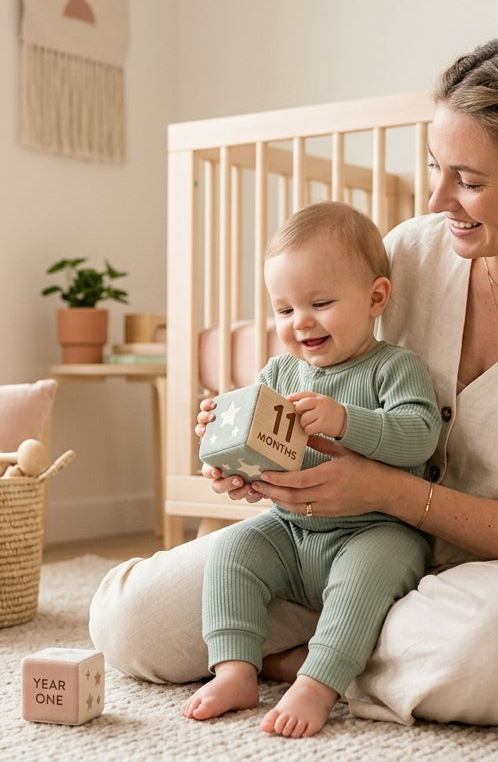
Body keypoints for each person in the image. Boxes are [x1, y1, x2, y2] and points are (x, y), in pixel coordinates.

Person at [89, 29, 498, 726]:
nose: (436, 198)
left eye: (468, 180)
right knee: (130, 621)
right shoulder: (410, 254)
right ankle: (336, 653)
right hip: (338, 548)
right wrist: (261, 461)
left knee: (484, 658)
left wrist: (388, 492)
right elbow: (330, 386)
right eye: (436, 167)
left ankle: (305, 660)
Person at [183, 201, 440, 737]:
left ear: (375, 298)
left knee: (365, 578)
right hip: (291, 527)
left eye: (320, 302)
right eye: (283, 310)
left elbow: (419, 437)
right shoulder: (279, 370)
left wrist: (347, 421)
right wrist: (229, 453)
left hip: (374, 530)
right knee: (232, 549)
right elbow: (264, 444)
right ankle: (235, 669)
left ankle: (317, 682)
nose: (300, 321)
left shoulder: (394, 366)